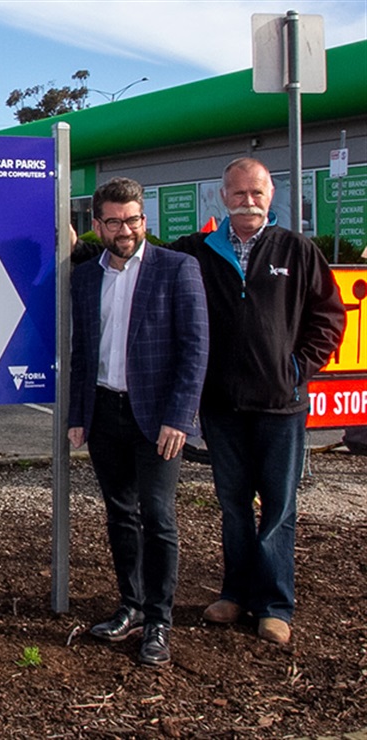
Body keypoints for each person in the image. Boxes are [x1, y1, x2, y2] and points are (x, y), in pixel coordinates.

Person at [171, 158, 344, 645]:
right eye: (238, 192)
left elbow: (328, 317)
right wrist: (81, 247)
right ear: (222, 197)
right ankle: (235, 593)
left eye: (258, 193)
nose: (248, 200)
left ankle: (274, 605)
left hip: (280, 406)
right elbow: (139, 255)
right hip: (223, 406)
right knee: (232, 506)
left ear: (272, 196)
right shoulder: (198, 251)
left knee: (278, 508)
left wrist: (296, 369)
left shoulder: (297, 249)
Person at [68, 177, 210, 666]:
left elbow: (195, 351)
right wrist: (77, 415)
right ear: (98, 225)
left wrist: (180, 418)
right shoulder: (87, 278)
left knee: (159, 516)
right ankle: (128, 606)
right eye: (114, 221)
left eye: (132, 220)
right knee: (120, 514)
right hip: (105, 413)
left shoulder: (178, 269)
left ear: (144, 220)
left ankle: (159, 621)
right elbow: (82, 351)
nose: (124, 229)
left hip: (157, 419)